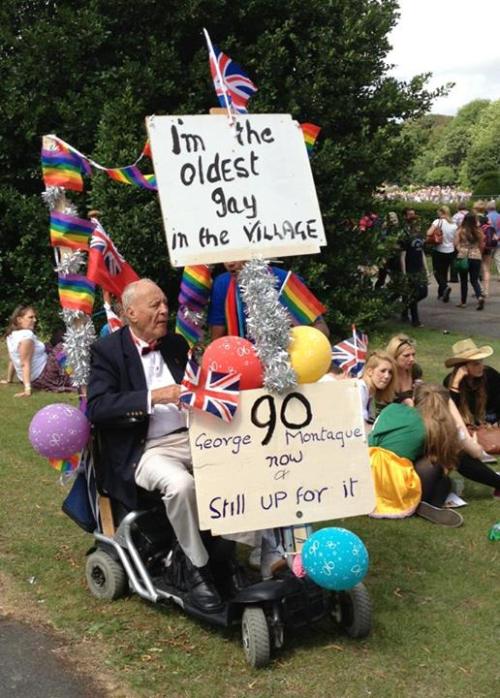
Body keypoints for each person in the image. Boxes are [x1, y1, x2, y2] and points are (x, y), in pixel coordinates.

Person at [87, 279, 224, 613]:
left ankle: (237, 553)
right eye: (155, 305)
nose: (165, 311)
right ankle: (197, 569)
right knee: (181, 485)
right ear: (130, 312)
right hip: (146, 448)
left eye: (165, 303)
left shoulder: (176, 344)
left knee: (240, 465)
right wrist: (153, 397)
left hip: (193, 437)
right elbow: (98, 407)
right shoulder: (107, 351)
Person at [207, 261, 330, 340]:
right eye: (226, 256)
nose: (230, 263)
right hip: (243, 362)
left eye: (236, 255)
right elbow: (217, 340)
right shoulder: (222, 284)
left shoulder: (284, 280)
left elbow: (322, 330)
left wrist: (300, 338)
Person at [1, 305, 75, 397]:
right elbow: (25, 363)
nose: (35, 320)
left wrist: (9, 379)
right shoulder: (26, 337)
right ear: (19, 319)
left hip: (31, 376)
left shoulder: (11, 335)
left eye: (34, 317)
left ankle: (70, 370)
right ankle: (72, 374)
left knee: (58, 336)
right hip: (43, 376)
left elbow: (12, 359)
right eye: (30, 317)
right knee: (62, 347)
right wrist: (27, 389)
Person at [443, 339, 500, 425]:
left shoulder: (490, 375)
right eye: (476, 364)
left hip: (490, 422)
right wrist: (455, 384)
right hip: (464, 426)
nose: (481, 366)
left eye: (481, 361)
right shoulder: (450, 381)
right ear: (462, 367)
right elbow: (450, 410)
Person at [399, 220, 429, 327]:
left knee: (424, 292)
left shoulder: (420, 238)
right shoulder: (406, 239)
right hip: (411, 270)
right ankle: (415, 321)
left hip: (420, 269)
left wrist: (426, 269)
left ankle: (405, 306)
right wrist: (404, 273)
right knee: (414, 294)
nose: (419, 227)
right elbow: (403, 256)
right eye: (417, 225)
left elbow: (422, 253)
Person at [453, 212, 485, 310]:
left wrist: (460, 249)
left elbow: (455, 243)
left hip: (463, 256)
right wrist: (479, 252)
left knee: (463, 281)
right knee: (474, 280)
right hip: (476, 255)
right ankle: (479, 296)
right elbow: (482, 244)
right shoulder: (478, 231)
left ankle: (463, 302)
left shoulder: (461, 230)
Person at [426, 205, 457, 303]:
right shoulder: (454, 225)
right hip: (450, 250)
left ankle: (444, 287)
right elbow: (455, 239)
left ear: (441, 212)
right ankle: (441, 293)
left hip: (439, 249)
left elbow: (429, 233)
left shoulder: (437, 222)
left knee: (437, 271)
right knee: (444, 271)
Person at [359, 351, 397, 426]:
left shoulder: (370, 394)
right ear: (370, 371)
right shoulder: (359, 389)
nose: (387, 376)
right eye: (383, 371)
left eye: (390, 372)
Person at [385, 334, 419, 405]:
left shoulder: (415, 370)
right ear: (394, 356)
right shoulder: (386, 375)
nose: (412, 359)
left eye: (413, 355)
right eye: (406, 356)